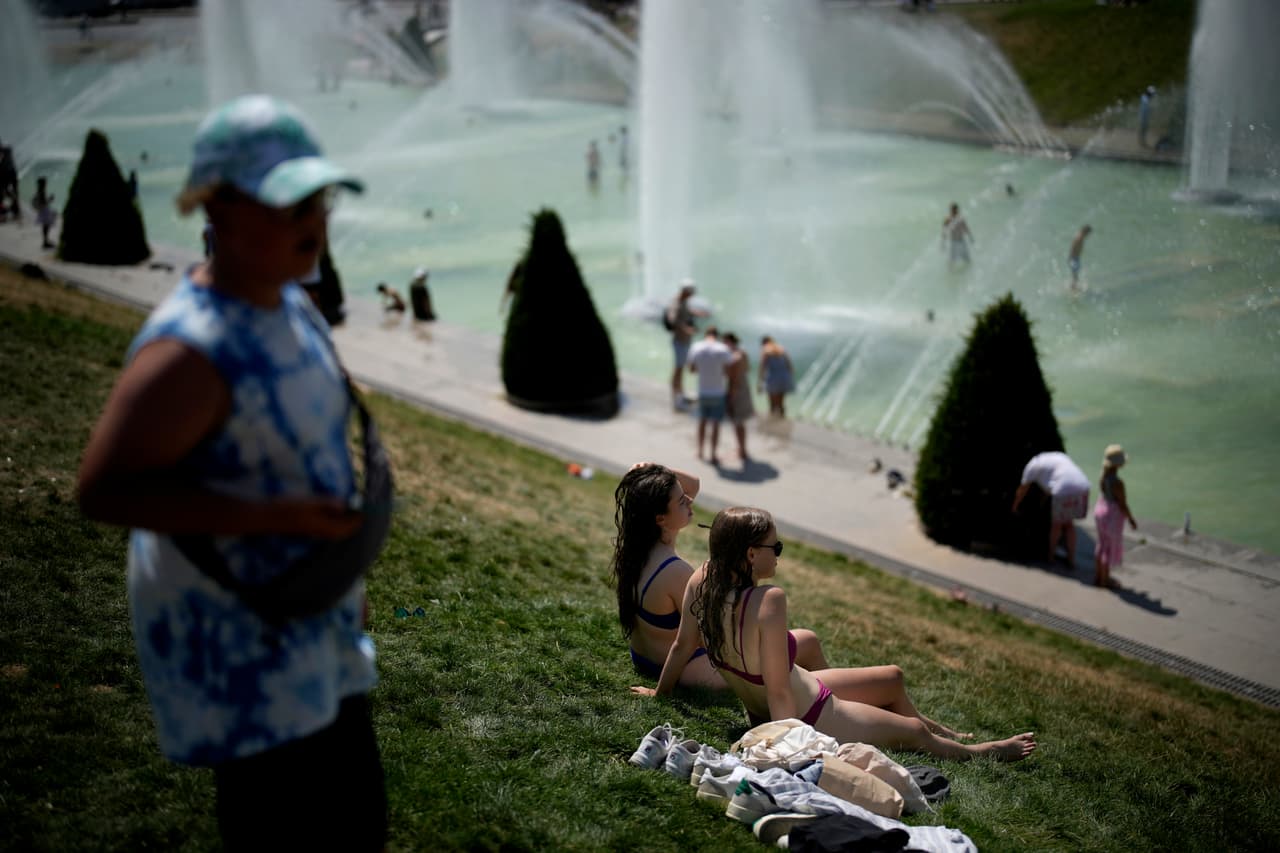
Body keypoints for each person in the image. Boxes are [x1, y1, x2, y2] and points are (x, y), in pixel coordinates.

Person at [75, 94, 387, 851]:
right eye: (287, 205)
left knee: (357, 824)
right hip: (246, 647)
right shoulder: (188, 348)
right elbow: (104, 489)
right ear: (218, 208)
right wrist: (283, 520)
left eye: (316, 200)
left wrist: (345, 578)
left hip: (314, 622)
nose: (313, 220)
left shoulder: (288, 302)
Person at [636, 507, 1036, 762]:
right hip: (810, 713)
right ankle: (979, 751)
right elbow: (778, 691)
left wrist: (660, 693)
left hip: (794, 693)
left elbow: (682, 645)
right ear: (751, 554)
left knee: (892, 677)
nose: (778, 551)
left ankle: (944, 731)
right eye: (774, 545)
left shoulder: (702, 579)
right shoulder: (769, 600)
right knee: (912, 734)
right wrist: (790, 749)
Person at [615, 464, 827, 687]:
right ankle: (829, 700)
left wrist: (653, 469)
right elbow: (712, 638)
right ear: (660, 519)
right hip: (683, 668)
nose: (690, 499)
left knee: (794, 647)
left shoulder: (637, 552)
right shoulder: (675, 571)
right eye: (681, 501)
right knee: (804, 644)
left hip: (644, 656)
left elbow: (693, 484)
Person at [1011, 450, 1090, 569]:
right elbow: (1051, 481)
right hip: (1082, 486)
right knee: (1069, 524)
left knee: (1056, 526)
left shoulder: (1031, 466)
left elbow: (1022, 490)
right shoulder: (1057, 456)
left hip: (1062, 489)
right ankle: (1071, 559)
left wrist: (1015, 506)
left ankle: (1050, 557)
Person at [1093, 444, 1138, 589]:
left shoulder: (1103, 476)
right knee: (1108, 548)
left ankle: (1099, 576)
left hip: (1100, 510)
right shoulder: (1118, 483)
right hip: (1111, 515)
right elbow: (1122, 504)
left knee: (1101, 545)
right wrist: (1131, 519)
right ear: (1119, 464)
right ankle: (1106, 580)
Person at [687, 326, 733, 466]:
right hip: (718, 391)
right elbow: (728, 371)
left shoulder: (696, 347)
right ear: (717, 336)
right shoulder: (723, 349)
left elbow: (692, 369)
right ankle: (713, 454)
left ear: (705, 335)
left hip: (703, 391)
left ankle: (700, 451)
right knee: (715, 424)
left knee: (702, 422)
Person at [667, 279, 708, 409]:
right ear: (686, 291)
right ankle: (676, 399)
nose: (692, 295)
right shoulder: (676, 302)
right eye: (691, 292)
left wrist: (697, 313)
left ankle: (681, 394)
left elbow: (686, 311)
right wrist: (686, 329)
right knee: (678, 369)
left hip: (683, 340)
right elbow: (672, 319)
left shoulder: (683, 301)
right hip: (680, 340)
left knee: (681, 368)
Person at [723, 332, 754, 462]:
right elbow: (747, 370)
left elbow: (733, 380)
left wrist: (730, 398)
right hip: (744, 388)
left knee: (738, 422)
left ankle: (742, 451)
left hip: (736, 391)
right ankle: (742, 448)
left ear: (729, 342)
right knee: (739, 423)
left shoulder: (735, 356)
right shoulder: (743, 353)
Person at [757, 335, 795, 418]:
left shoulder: (765, 350)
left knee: (772, 403)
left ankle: (773, 422)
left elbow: (762, 367)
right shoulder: (781, 348)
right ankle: (782, 419)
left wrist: (760, 382)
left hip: (773, 377)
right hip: (785, 377)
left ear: (763, 343)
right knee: (781, 402)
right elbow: (790, 366)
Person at [941, 202, 973, 269]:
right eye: (952, 209)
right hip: (953, 242)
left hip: (961, 241)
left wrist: (970, 237)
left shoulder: (960, 218)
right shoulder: (948, 219)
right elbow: (944, 230)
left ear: (957, 209)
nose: (953, 211)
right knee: (952, 259)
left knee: (966, 257)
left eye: (955, 209)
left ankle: (968, 269)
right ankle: (950, 271)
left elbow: (965, 228)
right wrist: (943, 242)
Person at [32, 176, 57, 249]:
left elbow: (40, 202)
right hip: (44, 211)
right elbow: (44, 202)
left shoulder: (39, 191)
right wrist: (50, 199)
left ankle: (45, 241)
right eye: (45, 182)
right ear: (43, 183)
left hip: (42, 211)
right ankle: (45, 242)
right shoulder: (42, 191)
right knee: (46, 226)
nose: (46, 184)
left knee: (45, 226)